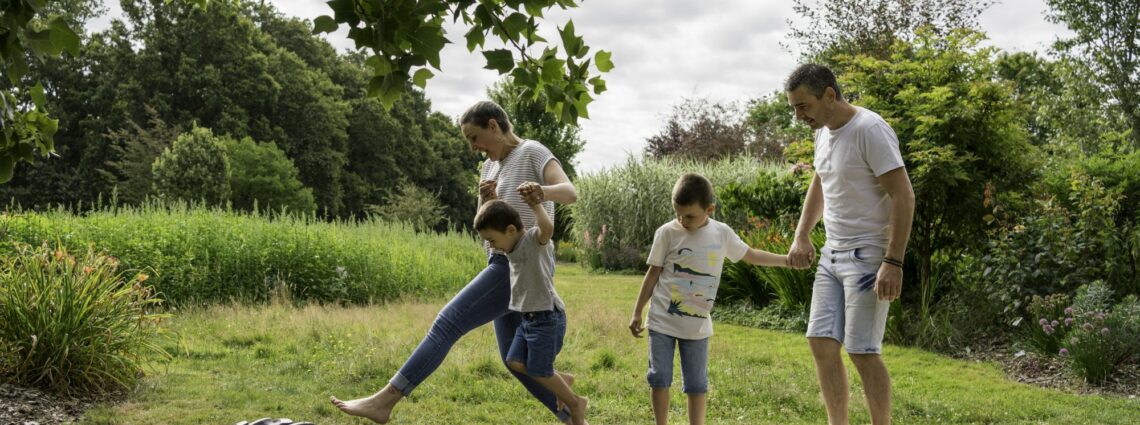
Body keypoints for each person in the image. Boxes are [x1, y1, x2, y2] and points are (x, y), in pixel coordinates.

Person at [331, 101, 579, 423]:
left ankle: (385, 401)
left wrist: (539, 192)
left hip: (517, 266)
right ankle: (572, 414)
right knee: (513, 360)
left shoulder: (532, 151)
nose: (473, 147)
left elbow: (569, 192)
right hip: (501, 262)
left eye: (474, 137)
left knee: (448, 322)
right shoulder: (489, 168)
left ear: (493, 125)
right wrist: (484, 200)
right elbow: (482, 224)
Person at [784, 63, 915, 425]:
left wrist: (893, 261)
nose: (799, 116)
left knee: (862, 350)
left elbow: (903, 195)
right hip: (832, 253)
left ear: (829, 94)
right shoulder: (823, 133)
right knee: (820, 341)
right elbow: (820, 181)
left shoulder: (869, 129)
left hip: (870, 254)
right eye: (794, 108)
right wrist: (802, 234)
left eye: (803, 106)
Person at [628, 173, 795, 425]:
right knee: (659, 377)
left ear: (710, 209)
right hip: (662, 320)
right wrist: (637, 311)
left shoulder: (721, 234)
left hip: (697, 328)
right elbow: (653, 273)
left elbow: (750, 254)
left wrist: (786, 261)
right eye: (678, 213)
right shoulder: (667, 233)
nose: (682, 220)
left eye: (690, 215)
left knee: (697, 384)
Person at [474, 198, 588, 425]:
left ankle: (575, 403)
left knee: (538, 370)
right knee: (514, 361)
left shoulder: (533, 241)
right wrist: (489, 199)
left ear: (510, 230)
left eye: (492, 240)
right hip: (528, 319)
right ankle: (562, 380)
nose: (492, 246)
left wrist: (536, 204)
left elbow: (547, 228)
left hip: (547, 318)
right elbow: (496, 215)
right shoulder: (510, 246)